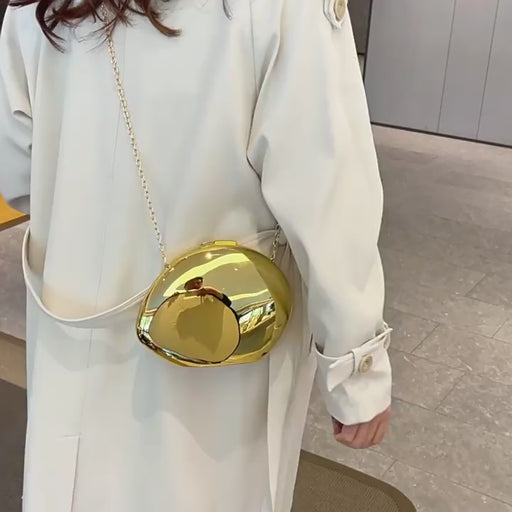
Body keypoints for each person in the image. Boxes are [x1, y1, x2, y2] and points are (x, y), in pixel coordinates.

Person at [0, 1, 392, 511]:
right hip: (217, 347)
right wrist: (357, 370)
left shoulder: (35, 10)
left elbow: (19, 177)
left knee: (72, 482)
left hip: (72, 337)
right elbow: (327, 194)